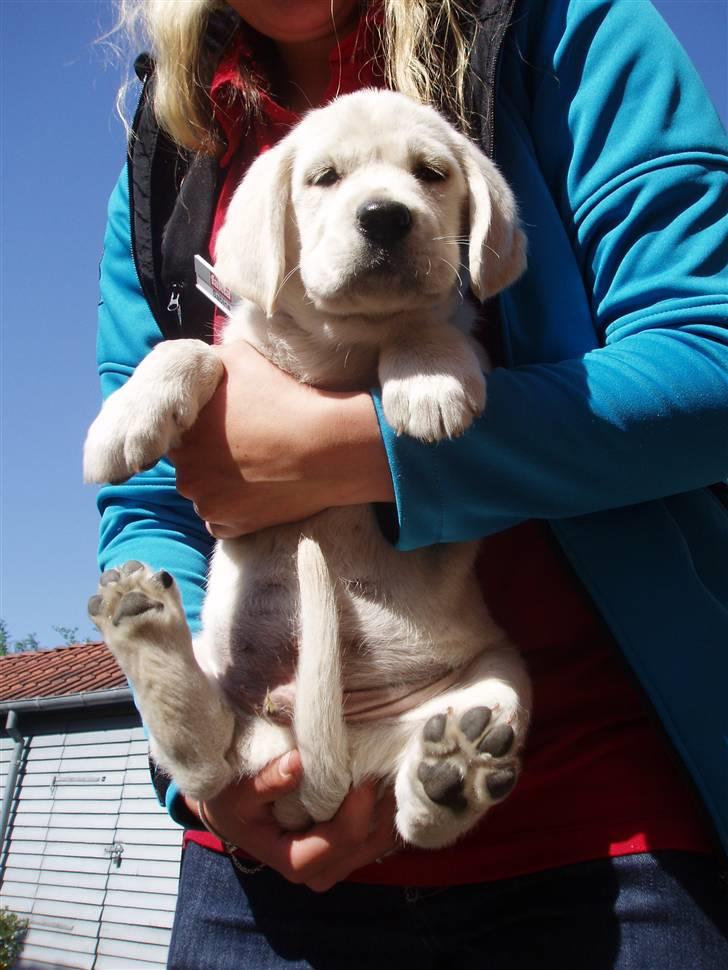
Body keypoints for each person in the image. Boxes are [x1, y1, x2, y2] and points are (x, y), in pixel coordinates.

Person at [96, 0, 728, 966]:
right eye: (335, 178)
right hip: (256, 855)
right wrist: (214, 790)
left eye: (428, 176)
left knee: (481, 700)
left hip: (595, 824)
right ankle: (202, 732)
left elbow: (710, 360)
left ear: (475, 206)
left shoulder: (564, 28)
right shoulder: (174, 147)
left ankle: (434, 793)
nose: (386, 202)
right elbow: (145, 495)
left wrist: (354, 447)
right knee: (211, 716)